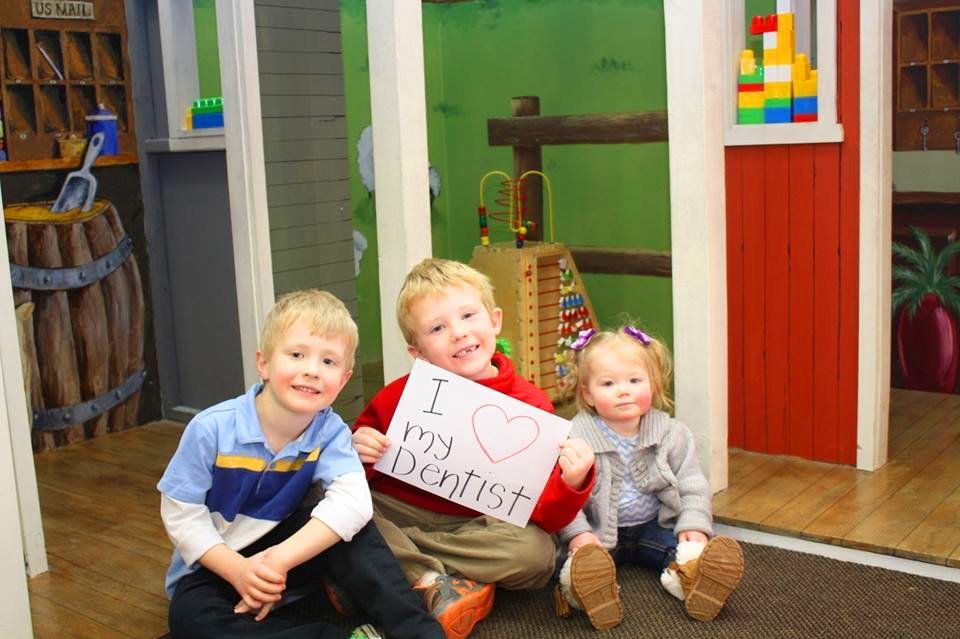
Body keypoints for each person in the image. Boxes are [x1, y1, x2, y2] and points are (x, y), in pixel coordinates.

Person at [157, 289, 443, 639]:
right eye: (296, 354)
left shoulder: (331, 432)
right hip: (217, 564)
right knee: (190, 619)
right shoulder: (212, 428)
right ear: (263, 363)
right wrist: (238, 571)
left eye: (328, 362)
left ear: (344, 378)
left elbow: (353, 503)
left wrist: (277, 561)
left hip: (290, 555)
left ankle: (419, 632)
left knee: (355, 528)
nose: (311, 371)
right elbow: (181, 514)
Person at [351, 258, 596, 639]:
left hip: (480, 524)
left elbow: (545, 515)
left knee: (537, 555)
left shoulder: (531, 406)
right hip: (401, 511)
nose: (459, 333)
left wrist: (573, 479)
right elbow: (351, 474)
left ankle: (396, 572)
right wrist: (360, 449)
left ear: (494, 320)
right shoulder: (397, 396)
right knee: (339, 509)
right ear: (417, 352)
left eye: (468, 315)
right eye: (437, 327)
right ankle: (432, 579)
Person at [556, 325, 744, 630]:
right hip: (598, 530)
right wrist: (577, 533)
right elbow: (563, 497)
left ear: (653, 385)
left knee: (681, 550)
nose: (623, 390)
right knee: (574, 562)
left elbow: (692, 483)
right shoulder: (574, 438)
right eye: (608, 383)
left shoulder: (672, 434)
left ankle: (695, 580)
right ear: (588, 394)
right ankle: (589, 590)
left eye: (634, 380)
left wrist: (695, 524)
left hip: (654, 525)